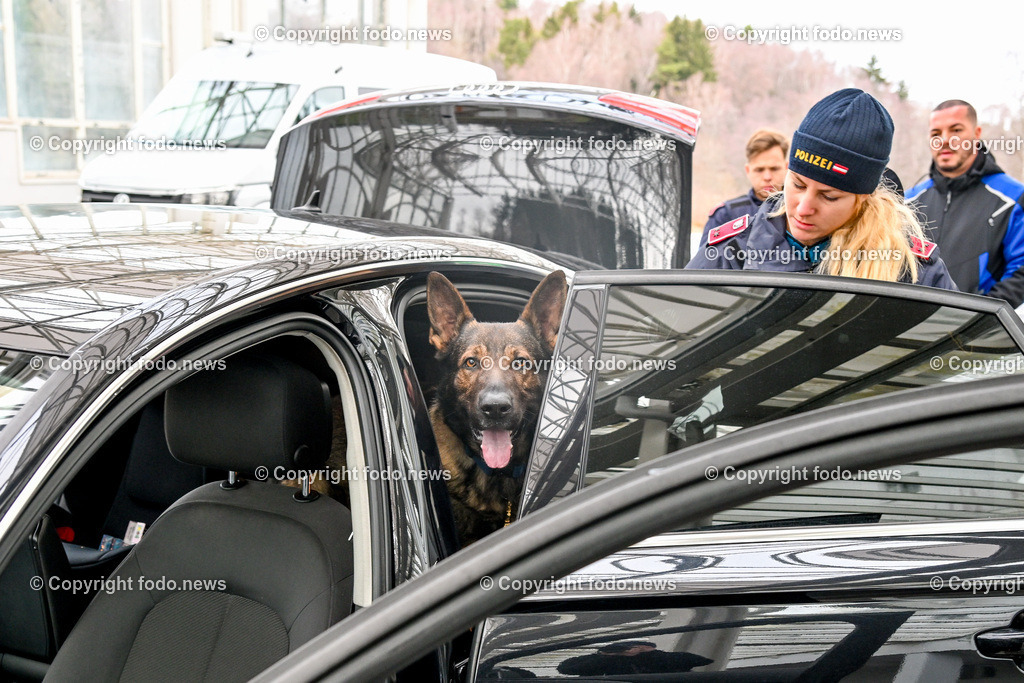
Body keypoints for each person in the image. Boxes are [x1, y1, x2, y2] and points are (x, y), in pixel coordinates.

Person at [688, 88, 957, 292]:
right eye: (797, 184)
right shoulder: (731, 251)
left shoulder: (912, 269)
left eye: (829, 196)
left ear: (863, 199)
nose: (803, 208)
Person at [906, 100, 1024, 305]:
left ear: (976, 134)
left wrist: (975, 320)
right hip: (912, 331)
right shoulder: (908, 201)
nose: (944, 140)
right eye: (935, 133)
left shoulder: (1013, 198)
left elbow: (1020, 273)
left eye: (956, 130)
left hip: (978, 332)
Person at [701, 128, 789, 244]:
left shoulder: (801, 212)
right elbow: (707, 259)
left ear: (786, 168)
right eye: (759, 170)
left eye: (774, 169)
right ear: (748, 171)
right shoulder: (725, 215)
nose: (767, 177)